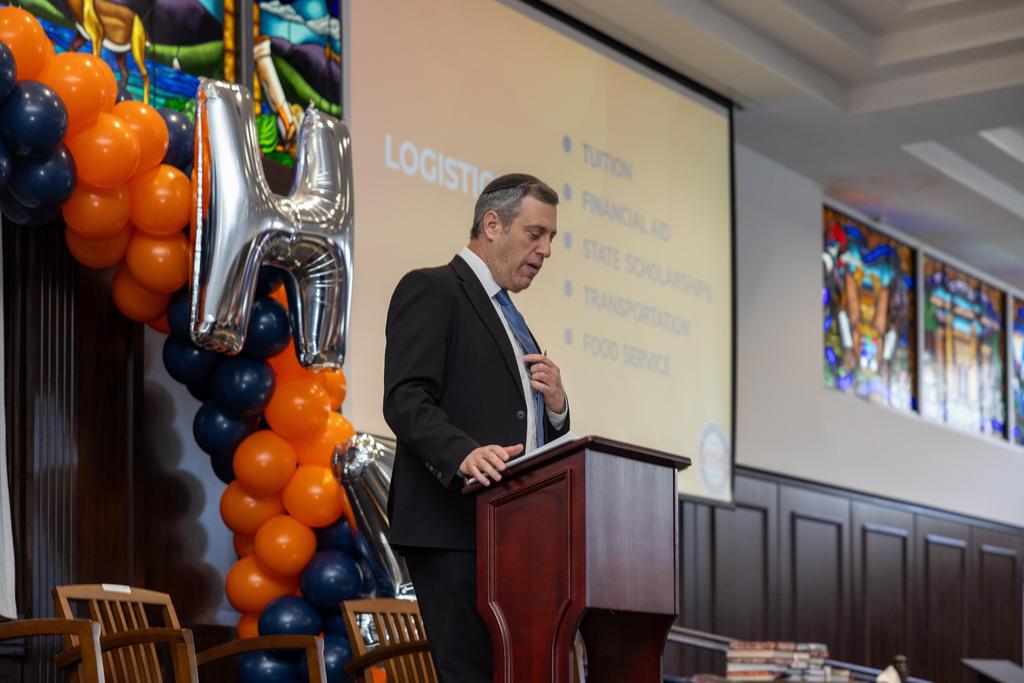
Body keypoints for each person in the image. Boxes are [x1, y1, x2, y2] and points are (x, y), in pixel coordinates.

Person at [383, 173, 571, 682]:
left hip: (514, 531)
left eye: (551, 237)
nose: (546, 250)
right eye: (535, 234)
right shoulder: (432, 289)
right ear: (492, 225)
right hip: (453, 525)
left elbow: (521, 424)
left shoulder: (512, 316)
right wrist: (462, 454)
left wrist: (556, 409)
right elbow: (405, 397)